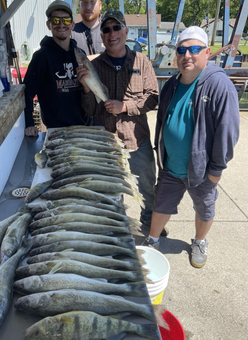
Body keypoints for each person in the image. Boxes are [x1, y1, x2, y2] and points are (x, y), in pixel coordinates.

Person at [142, 26, 240, 268]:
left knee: (205, 208)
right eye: (182, 49)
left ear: (207, 52)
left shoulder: (219, 85)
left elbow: (228, 132)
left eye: (194, 49)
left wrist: (216, 169)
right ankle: (152, 240)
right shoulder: (172, 84)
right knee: (161, 205)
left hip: (202, 170)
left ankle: (199, 241)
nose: (187, 55)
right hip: (171, 166)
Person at [77, 10, 161, 235]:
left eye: (116, 28)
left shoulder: (142, 61)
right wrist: (86, 87)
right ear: (102, 36)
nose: (111, 33)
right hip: (106, 144)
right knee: (112, 190)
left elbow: (153, 98)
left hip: (137, 140)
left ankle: (151, 222)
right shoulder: (94, 66)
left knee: (147, 187)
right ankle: (117, 227)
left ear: (125, 31)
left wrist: (124, 106)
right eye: (106, 29)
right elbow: (89, 109)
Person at [23, 0, 88, 137]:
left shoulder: (80, 54)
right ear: (49, 24)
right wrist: (29, 123)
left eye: (66, 20)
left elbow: (89, 91)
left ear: (72, 25)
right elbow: (27, 93)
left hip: (83, 128)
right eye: (56, 20)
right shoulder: (41, 57)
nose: (61, 24)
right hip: (56, 131)